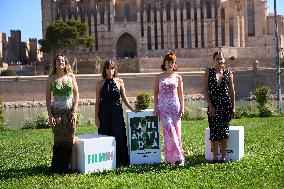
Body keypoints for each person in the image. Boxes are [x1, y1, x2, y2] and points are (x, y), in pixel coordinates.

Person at [95, 59, 135, 167]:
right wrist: (96, 117)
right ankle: (106, 162)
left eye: (112, 68)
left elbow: (124, 98)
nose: (110, 71)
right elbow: (97, 102)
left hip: (117, 112)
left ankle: (120, 161)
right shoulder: (100, 83)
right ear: (105, 69)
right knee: (105, 135)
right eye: (108, 68)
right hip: (104, 113)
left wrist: (132, 109)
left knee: (119, 135)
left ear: (115, 69)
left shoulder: (120, 82)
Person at [46, 54, 79, 173]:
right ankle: (57, 168)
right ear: (55, 64)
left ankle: (67, 167)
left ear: (65, 63)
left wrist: (74, 112)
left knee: (69, 139)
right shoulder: (51, 79)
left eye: (62, 60)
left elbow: (76, 95)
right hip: (57, 113)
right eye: (58, 60)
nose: (60, 62)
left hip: (70, 112)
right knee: (59, 140)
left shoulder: (71, 77)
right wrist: (50, 115)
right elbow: (48, 99)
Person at [153, 51, 185, 166]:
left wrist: (182, 107)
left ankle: (172, 160)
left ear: (174, 64)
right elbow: (156, 93)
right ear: (164, 63)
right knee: (169, 132)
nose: (170, 64)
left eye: (172, 62)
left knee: (177, 132)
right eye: (168, 62)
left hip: (175, 109)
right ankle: (179, 157)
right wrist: (155, 107)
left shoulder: (178, 78)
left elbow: (181, 94)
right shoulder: (159, 77)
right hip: (163, 109)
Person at [204, 50, 236, 163]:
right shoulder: (209, 72)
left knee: (224, 132)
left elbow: (232, 92)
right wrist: (210, 106)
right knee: (214, 132)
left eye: (221, 58)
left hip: (225, 106)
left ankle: (222, 157)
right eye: (217, 59)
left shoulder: (228, 73)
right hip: (213, 105)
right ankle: (215, 157)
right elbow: (206, 91)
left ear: (224, 60)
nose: (219, 60)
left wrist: (233, 107)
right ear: (213, 60)